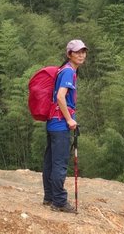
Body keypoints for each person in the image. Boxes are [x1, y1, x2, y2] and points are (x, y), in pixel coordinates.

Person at [42, 39, 87, 213]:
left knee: (50, 162)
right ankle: (59, 202)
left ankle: (49, 197)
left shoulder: (63, 70)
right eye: (77, 52)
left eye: (83, 51)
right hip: (60, 124)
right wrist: (70, 120)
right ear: (69, 54)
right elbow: (61, 97)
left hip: (52, 123)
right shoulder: (68, 72)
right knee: (59, 164)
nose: (81, 54)